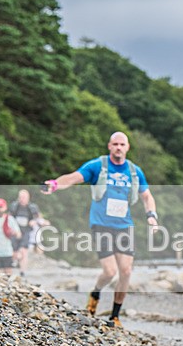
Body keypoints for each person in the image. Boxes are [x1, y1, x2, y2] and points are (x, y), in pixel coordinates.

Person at [41, 131, 158, 328]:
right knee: (110, 271)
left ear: (128, 147)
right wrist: (55, 184)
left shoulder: (135, 171)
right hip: (101, 225)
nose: (119, 148)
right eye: (115, 144)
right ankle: (96, 292)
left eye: (122, 144)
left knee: (126, 271)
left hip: (124, 226)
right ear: (109, 146)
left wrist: (152, 217)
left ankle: (114, 316)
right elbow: (73, 178)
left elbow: (147, 196)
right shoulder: (98, 166)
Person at [8, 189, 40, 277]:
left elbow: (37, 218)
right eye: (20, 197)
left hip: (26, 231)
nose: (22, 199)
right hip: (15, 231)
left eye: (24, 197)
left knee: (24, 251)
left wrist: (33, 221)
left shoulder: (32, 207)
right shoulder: (15, 206)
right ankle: (13, 265)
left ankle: (23, 271)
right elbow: (9, 217)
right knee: (14, 251)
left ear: (28, 198)